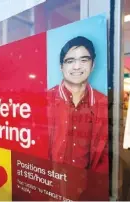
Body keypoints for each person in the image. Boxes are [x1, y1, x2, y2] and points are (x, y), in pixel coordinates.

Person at [47, 36, 108, 174]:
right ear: (61, 67)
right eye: (70, 61)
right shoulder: (45, 99)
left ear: (93, 65)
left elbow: (106, 152)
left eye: (84, 60)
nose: (77, 66)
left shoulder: (103, 103)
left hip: (87, 186)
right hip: (50, 183)